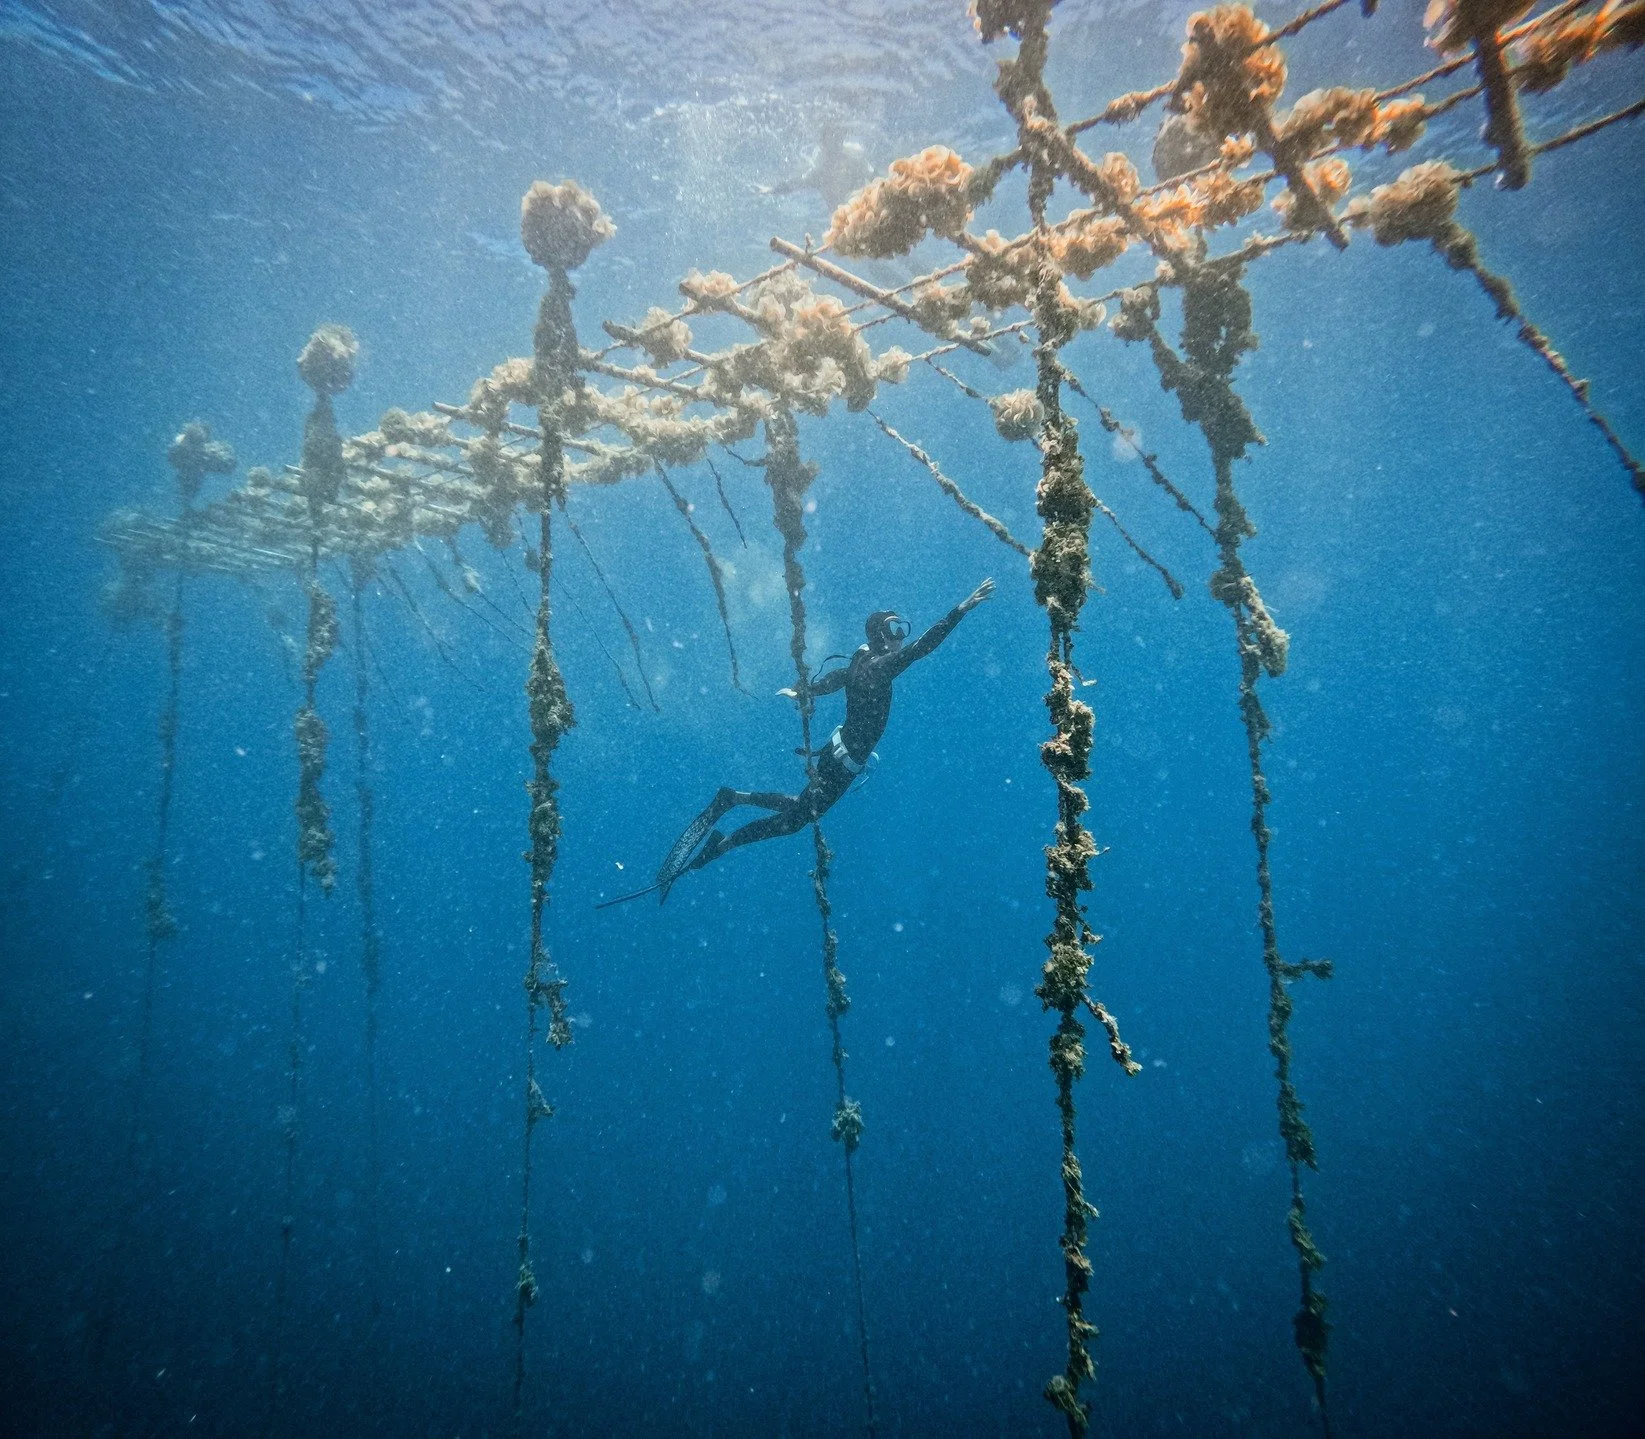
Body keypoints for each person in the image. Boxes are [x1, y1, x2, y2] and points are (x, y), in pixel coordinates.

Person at [599, 578, 994, 908]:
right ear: (880, 635)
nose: (900, 637)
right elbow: (924, 646)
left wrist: (805, 689)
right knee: (796, 820)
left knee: (799, 808)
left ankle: (734, 802)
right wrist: (961, 609)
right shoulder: (881, 666)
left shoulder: (861, 659)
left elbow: (836, 679)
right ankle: (728, 831)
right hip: (843, 764)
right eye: (895, 629)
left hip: (835, 752)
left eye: (901, 629)